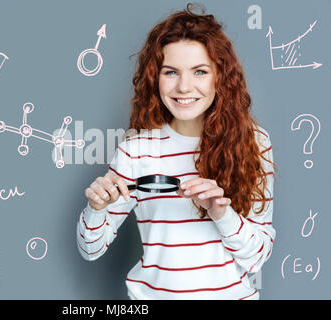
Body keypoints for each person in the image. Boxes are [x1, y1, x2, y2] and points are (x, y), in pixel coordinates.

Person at [76, 3, 277, 300]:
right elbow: (90, 250)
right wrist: (95, 208)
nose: (184, 87)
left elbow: (258, 256)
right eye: (171, 72)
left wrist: (221, 214)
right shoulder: (136, 150)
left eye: (199, 72)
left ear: (219, 77)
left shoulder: (255, 142)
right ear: (155, 78)